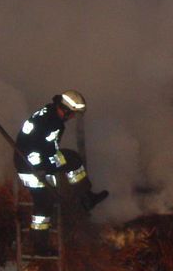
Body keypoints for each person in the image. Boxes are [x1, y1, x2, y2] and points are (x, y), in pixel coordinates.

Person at [15, 91, 108, 252]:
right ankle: (40, 247)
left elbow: (48, 146)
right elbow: (34, 149)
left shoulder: (50, 114)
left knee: (72, 159)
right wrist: (42, 169)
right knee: (43, 205)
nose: (72, 118)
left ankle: (86, 197)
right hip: (31, 166)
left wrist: (53, 161)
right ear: (65, 110)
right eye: (72, 114)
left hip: (41, 158)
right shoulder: (51, 123)